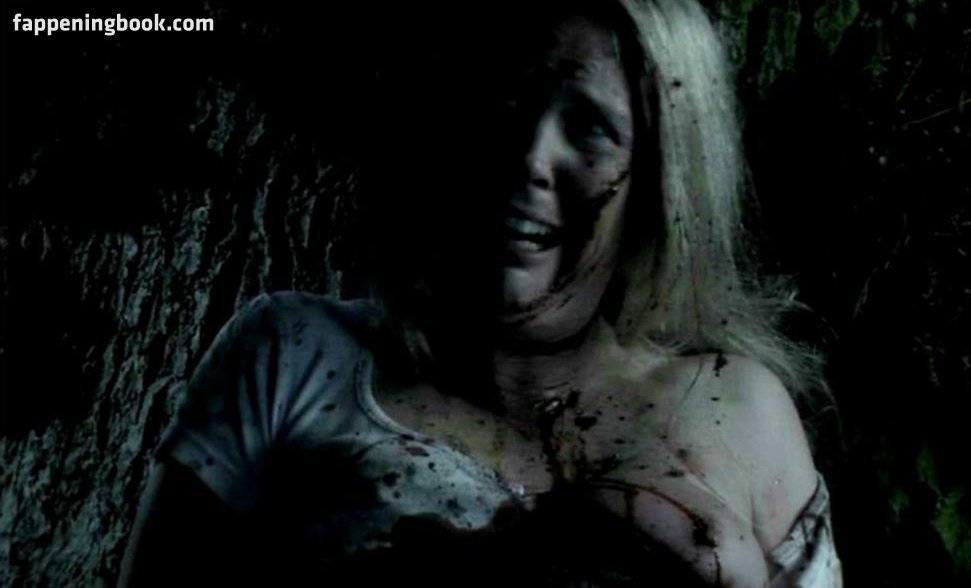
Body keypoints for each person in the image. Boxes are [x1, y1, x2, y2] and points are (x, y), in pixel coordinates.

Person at [118, 0, 842, 585]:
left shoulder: (736, 406)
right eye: (509, 101)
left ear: (662, 183)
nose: (528, 156)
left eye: (589, 127)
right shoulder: (296, 352)